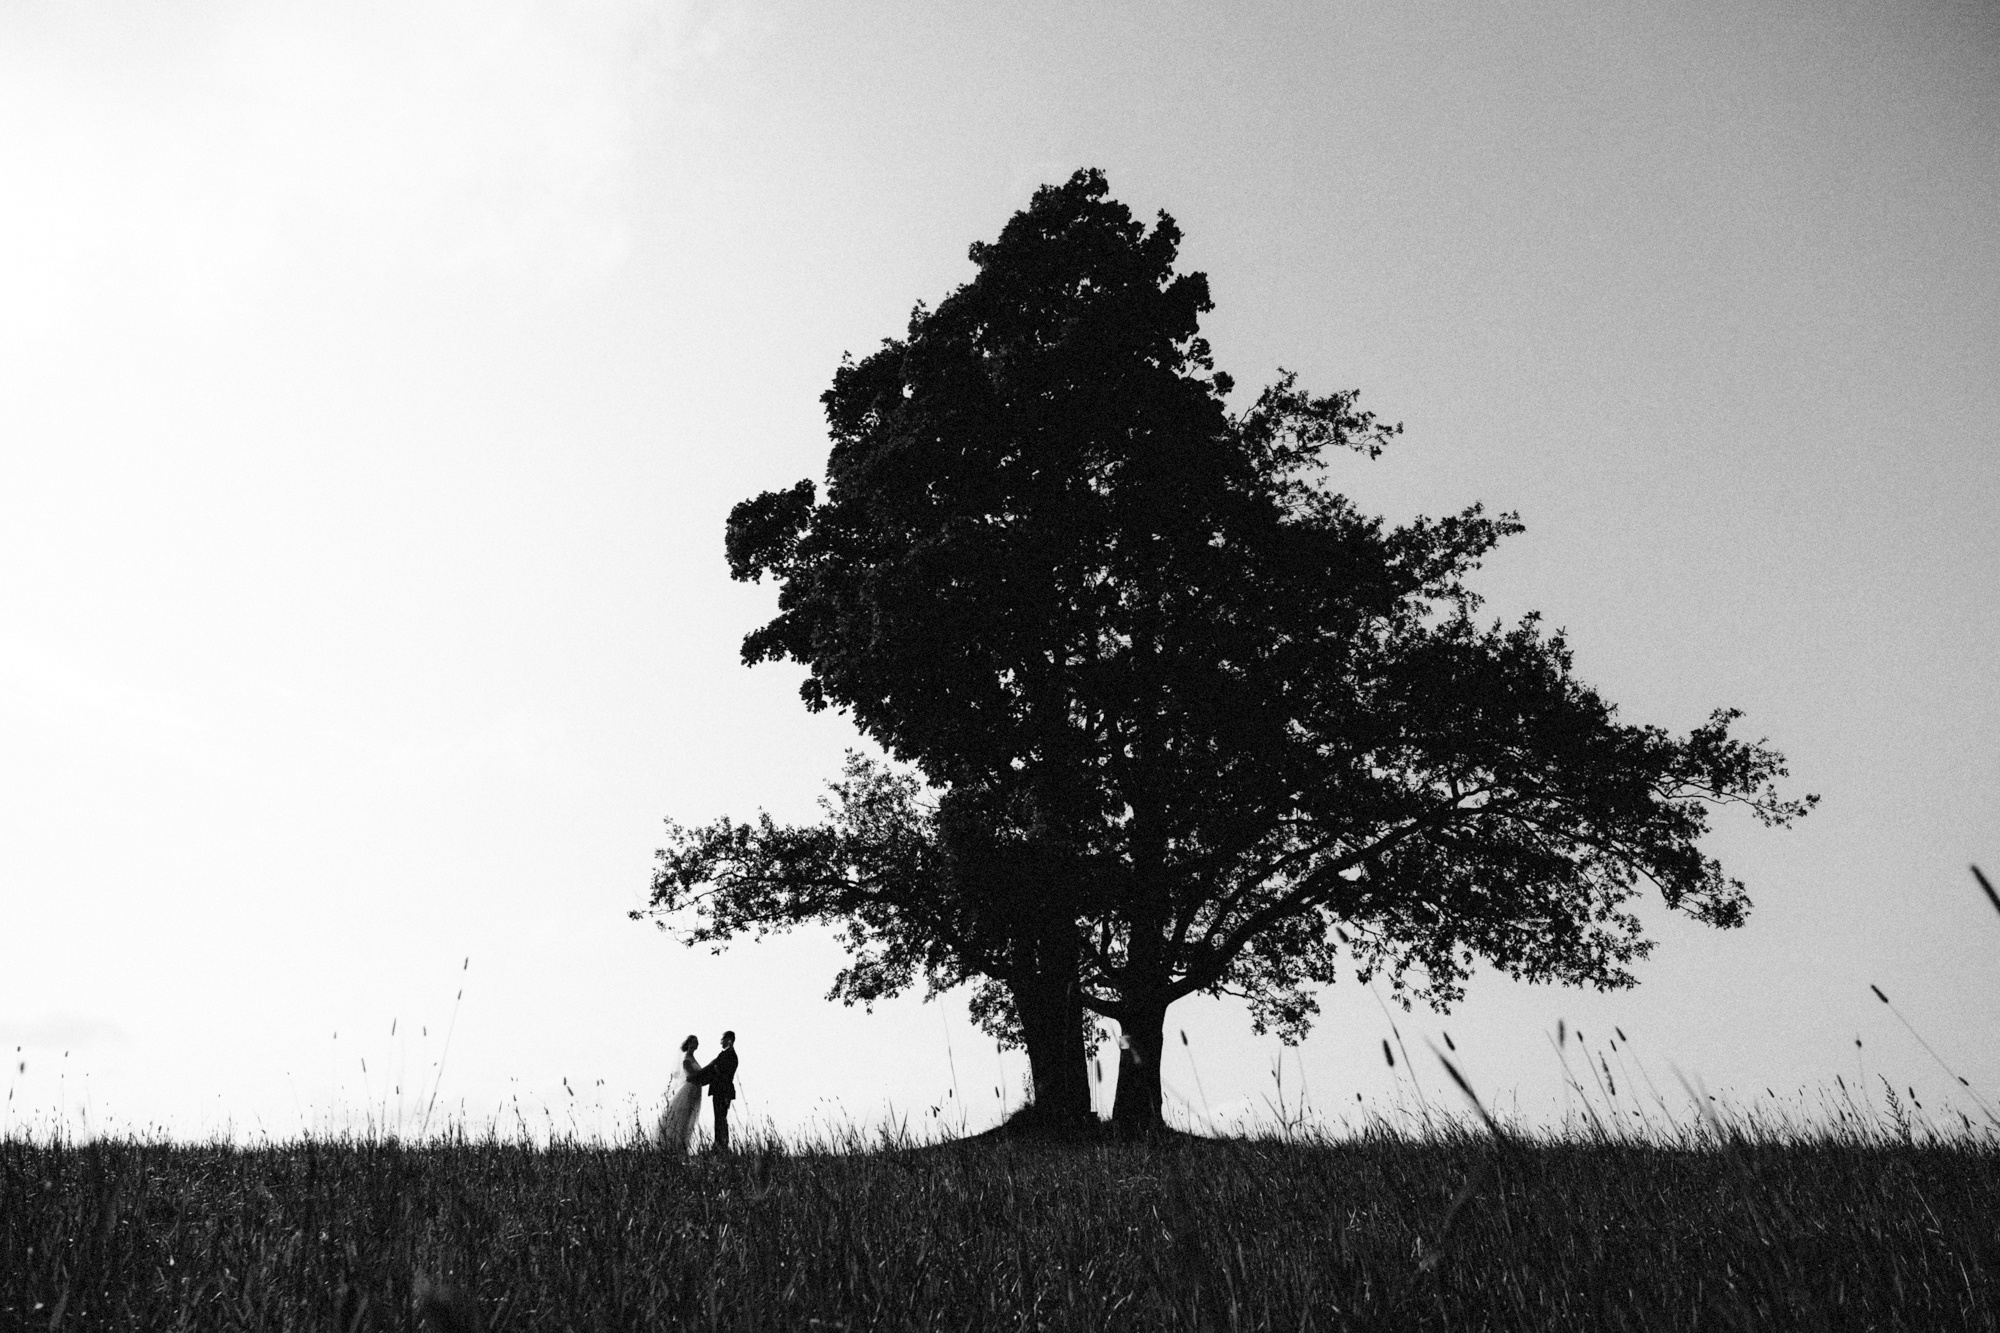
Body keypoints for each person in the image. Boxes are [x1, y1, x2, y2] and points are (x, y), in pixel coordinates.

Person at [657, 1034, 704, 1154]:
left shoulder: (692, 1058)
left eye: (697, 1043)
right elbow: (692, 1075)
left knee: (689, 1118)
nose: (695, 1045)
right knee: (683, 1119)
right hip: (689, 1091)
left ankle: (682, 1146)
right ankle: (677, 1146)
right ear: (689, 1044)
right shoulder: (686, 1060)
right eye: (693, 1042)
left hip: (695, 1090)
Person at [699, 1030, 738, 1153]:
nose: (721, 1042)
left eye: (723, 1039)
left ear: (729, 1040)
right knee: (719, 1118)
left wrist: (714, 1071)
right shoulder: (726, 1054)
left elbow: (722, 1072)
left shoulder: (730, 1055)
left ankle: (721, 1145)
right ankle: (719, 1144)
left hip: (723, 1091)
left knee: (721, 1118)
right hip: (720, 1090)